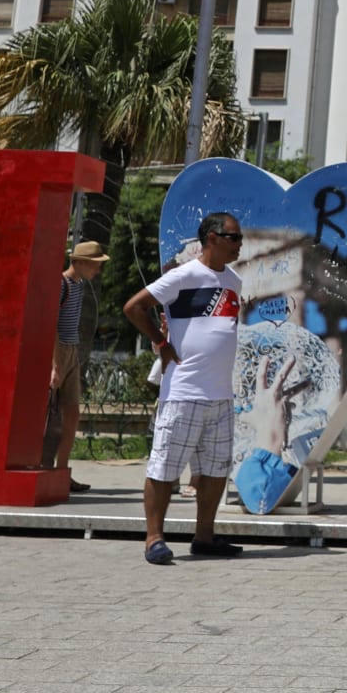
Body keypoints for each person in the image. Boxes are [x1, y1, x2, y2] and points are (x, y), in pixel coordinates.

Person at [124, 212, 246, 566]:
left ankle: (204, 537)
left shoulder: (234, 282)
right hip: (184, 392)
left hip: (221, 394)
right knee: (165, 467)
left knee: (214, 469)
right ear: (212, 238)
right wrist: (161, 343)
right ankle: (154, 538)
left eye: (240, 238)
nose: (240, 244)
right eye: (233, 237)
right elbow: (134, 307)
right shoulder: (184, 275)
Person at [50, 242, 107, 492]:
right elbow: (51, 325)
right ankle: (44, 466)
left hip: (71, 349)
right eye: (95, 264)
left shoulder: (80, 285)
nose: (98, 269)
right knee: (50, 415)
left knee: (72, 413)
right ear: (80, 262)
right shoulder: (61, 284)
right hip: (58, 350)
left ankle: (62, 472)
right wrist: (54, 366)